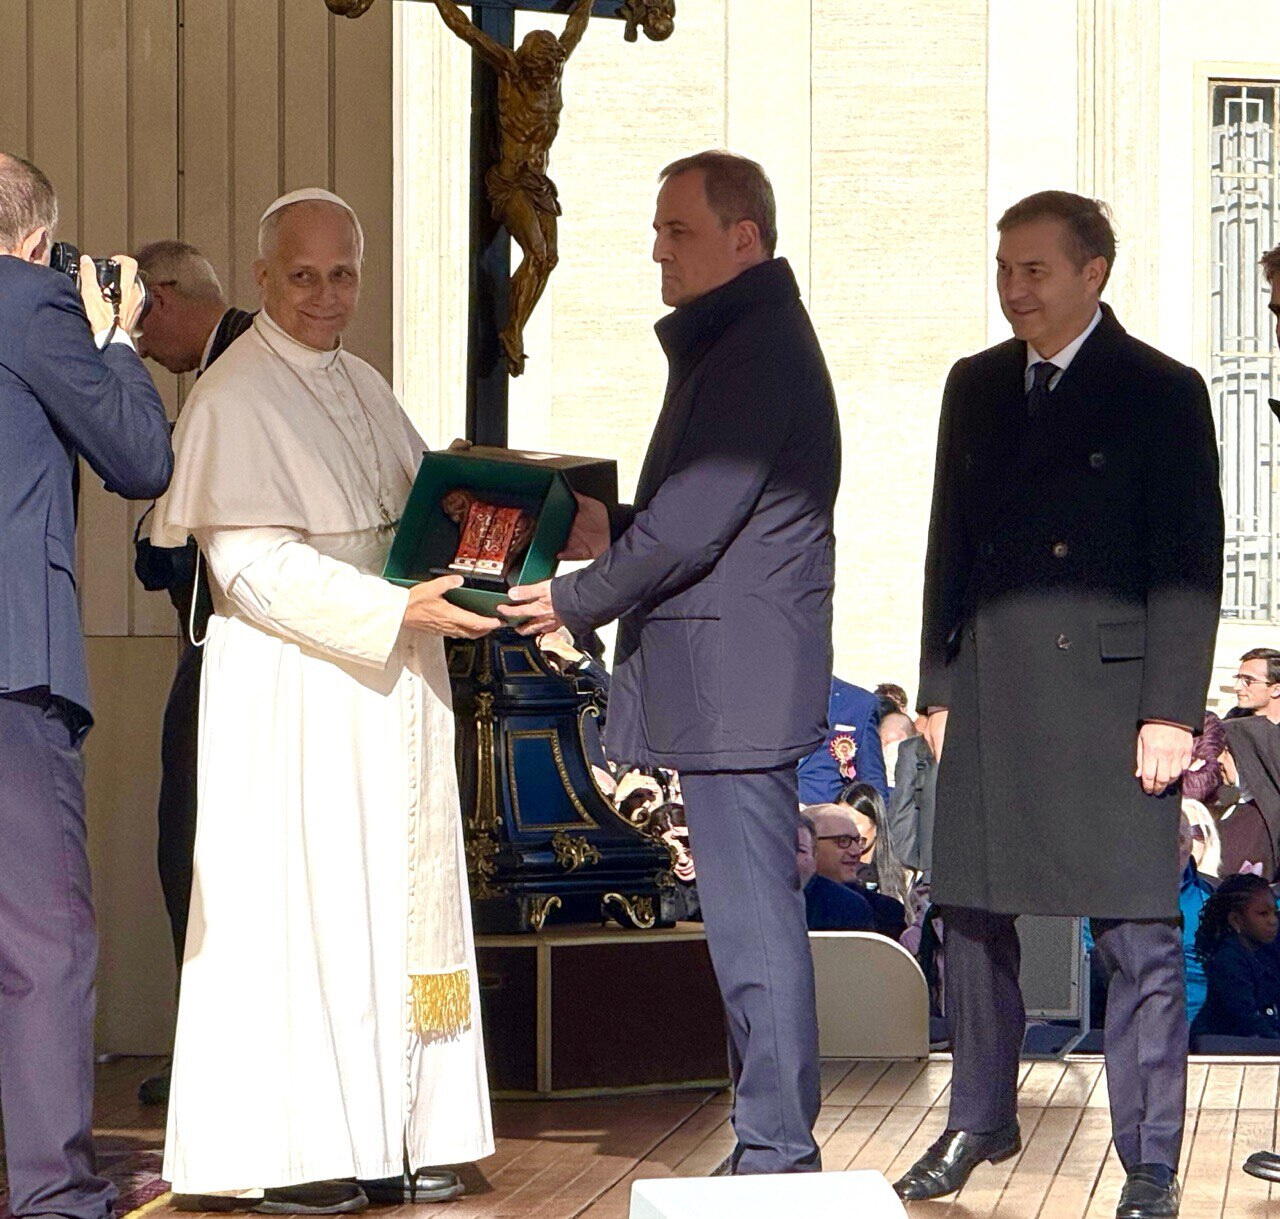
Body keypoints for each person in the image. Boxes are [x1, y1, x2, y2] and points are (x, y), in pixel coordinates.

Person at [150, 188, 495, 1210]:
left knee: (388, 904)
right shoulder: (232, 397)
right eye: (302, 275)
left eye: (342, 273)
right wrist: (395, 611)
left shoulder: (365, 382)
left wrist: (480, 541)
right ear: (262, 277)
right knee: (300, 907)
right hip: (292, 695)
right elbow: (251, 567)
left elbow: (414, 514)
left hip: (387, 686)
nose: (324, 294)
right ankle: (293, 1151)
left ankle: (402, 1133)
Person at [501, 150, 840, 1175]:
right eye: (656, 229)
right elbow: (712, 519)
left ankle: (775, 1148)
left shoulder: (753, 349)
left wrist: (568, 598)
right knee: (745, 920)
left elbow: (695, 525)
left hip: (734, 681)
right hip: (732, 673)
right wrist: (611, 526)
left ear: (744, 238)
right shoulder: (746, 339)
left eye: (677, 229)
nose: (657, 248)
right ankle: (769, 1139)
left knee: (751, 924)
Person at [897, 190, 1224, 1219]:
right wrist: (937, 688)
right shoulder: (976, 385)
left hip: (1115, 701)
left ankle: (1149, 1158)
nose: (1013, 289)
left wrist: (1170, 709)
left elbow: (1188, 563)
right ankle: (978, 1117)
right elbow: (947, 545)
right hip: (992, 688)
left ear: (1093, 273)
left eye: (1034, 270)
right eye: (1003, 268)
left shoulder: (1161, 390)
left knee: (1137, 935)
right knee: (970, 916)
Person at [0, 152, 172, 1219]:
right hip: (11, 671)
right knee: (41, 939)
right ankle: (54, 1191)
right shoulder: (29, 302)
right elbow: (140, 458)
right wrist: (113, 334)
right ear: (34, 239)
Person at [131, 239, 256, 1107]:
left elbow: (171, 544)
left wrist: (153, 540)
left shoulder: (232, 374)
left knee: (193, 843)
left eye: (140, 322)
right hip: (229, 638)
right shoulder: (238, 361)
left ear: (165, 296)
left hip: (233, 644)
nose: (139, 344)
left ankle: (214, 1056)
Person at [1190, 874, 1280, 1043]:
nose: (1273, 921)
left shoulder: (1267, 953)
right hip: (1221, 1045)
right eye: (1263, 914)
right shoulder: (1227, 960)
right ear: (1236, 920)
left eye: (1275, 913)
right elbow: (1247, 1018)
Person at [808, 803, 906, 938]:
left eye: (857, 841)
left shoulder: (886, 912)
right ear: (809, 844)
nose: (855, 852)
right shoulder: (785, 902)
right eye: (843, 841)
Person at [796, 677, 888, 804]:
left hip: (827, 811)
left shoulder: (858, 703)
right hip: (772, 808)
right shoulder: (769, 691)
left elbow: (872, 782)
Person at [796, 812, 874, 932]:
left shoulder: (848, 907)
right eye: (843, 841)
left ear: (815, 853)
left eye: (800, 850)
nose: (855, 852)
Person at [838, 780, 911, 907]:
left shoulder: (905, 879)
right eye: (840, 823)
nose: (845, 831)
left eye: (853, 823)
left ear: (876, 825)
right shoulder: (832, 874)